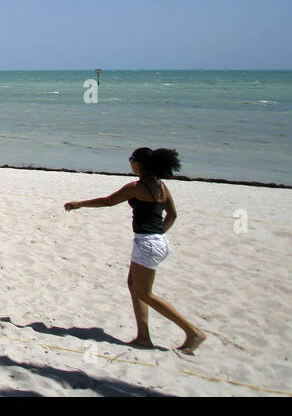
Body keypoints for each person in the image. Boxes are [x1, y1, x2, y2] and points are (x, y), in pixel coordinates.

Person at [64, 147, 206, 353]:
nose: (130, 163)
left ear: (139, 164)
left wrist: (80, 204)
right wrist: (158, 235)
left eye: (131, 159)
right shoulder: (161, 186)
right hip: (157, 241)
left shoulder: (137, 187)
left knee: (145, 293)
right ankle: (143, 337)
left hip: (148, 244)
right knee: (133, 286)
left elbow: (108, 201)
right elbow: (172, 215)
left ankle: (193, 332)